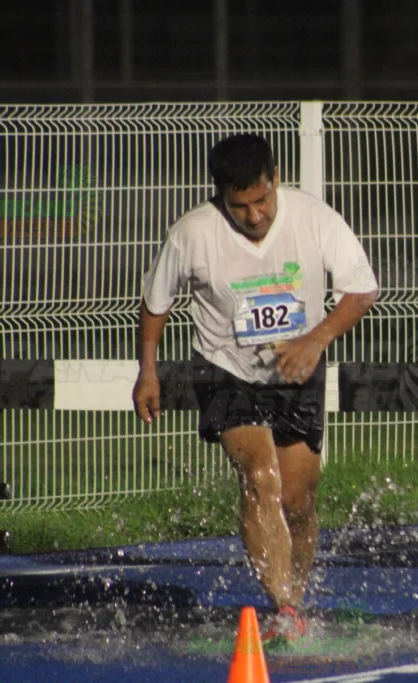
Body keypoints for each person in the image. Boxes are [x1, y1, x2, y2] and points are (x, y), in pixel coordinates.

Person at [132, 133, 379, 639]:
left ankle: (295, 598)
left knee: (298, 499)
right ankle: (283, 607)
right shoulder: (192, 233)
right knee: (261, 477)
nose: (253, 216)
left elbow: (362, 290)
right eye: (239, 205)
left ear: (276, 180)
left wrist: (315, 340)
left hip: (296, 368)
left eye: (262, 201)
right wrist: (148, 370)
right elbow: (156, 303)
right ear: (220, 194)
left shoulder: (315, 218)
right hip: (225, 367)